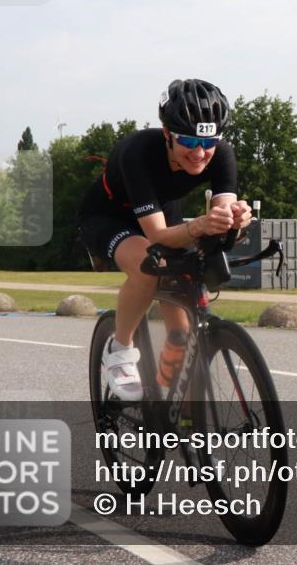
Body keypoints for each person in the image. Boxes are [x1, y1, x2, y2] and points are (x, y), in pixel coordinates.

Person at [78, 79, 253, 401]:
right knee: (149, 264)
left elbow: (222, 215)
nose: (200, 153)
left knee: (182, 329)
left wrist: (236, 220)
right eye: (188, 140)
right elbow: (157, 236)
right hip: (108, 216)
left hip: (164, 213)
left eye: (209, 140)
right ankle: (121, 348)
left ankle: (172, 409)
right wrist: (201, 225)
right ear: (167, 133)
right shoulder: (139, 151)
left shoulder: (221, 154)